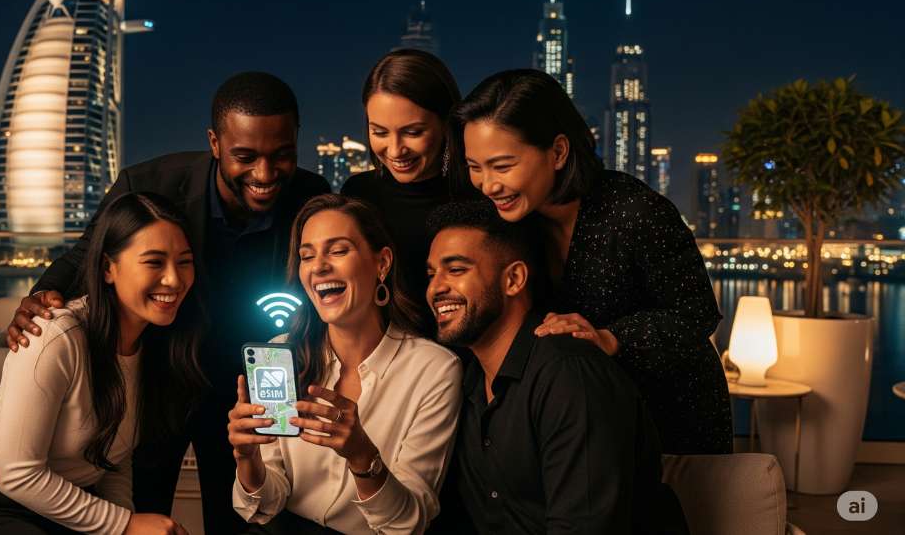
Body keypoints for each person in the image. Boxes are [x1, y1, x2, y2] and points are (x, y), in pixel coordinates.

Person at [7, 71, 331, 533]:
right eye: (245, 156)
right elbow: (88, 256)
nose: (264, 173)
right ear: (214, 143)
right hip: (164, 372)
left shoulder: (312, 194)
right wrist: (40, 295)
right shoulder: (150, 182)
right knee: (145, 509)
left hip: (260, 383)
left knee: (255, 516)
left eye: (282, 155)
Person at [452, 69, 731, 455]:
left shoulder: (636, 211)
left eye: (502, 166)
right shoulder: (508, 222)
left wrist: (611, 338)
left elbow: (696, 314)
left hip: (670, 422)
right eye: (475, 167)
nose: (488, 184)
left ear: (558, 152)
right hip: (582, 424)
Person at [0, 193, 202, 535]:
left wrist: (124, 525)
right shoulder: (56, 336)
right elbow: (16, 474)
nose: (173, 280)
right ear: (107, 268)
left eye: (184, 262)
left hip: (65, 511)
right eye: (154, 262)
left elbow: (114, 462)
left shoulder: (156, 348)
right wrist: (125, 524)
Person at [424, 200, 688, 534]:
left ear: (514, 279)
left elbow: (584, 526)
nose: (436, 287)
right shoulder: (470, 384)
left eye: (457, 270)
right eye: (431, 274)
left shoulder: (570, 375)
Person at [228, 194, 461, 535]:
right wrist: (248, 459)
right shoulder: (281, 356)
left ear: (381, 263)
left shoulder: (434, 370)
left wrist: (363, 457)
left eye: (337, 251)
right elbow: (266, 504)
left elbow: (407, 524)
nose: (319, 266)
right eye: (307, 256)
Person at [341, 49, 474, 314]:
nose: (394, 150)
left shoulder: (476, 195)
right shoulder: (358, 194)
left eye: (412, 132)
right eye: (379, 132)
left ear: (446, 124)